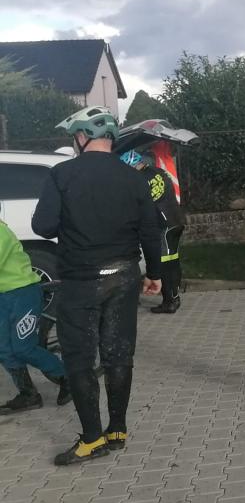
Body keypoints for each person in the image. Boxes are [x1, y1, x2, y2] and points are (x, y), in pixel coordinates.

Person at [31, 106, 162, 466]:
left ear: (81, 136)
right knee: (119, 353)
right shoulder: (134, 177)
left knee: (80, 359)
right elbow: (151, 230)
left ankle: (92, 439)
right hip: (124, 275)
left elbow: (43, 226)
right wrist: (154, 273)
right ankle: (117, 429)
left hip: (81, 279)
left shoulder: (62, 174)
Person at [0, 218, 69, 415]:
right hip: (3, 296)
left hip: (22, 293)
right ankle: (28, 394)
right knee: (4, 349)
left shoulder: (1, 232)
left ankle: (68, 378)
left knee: (24, 348)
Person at [120, 150, 186, 314]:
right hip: (176, 220)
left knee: (165, 264)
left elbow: (141, 205)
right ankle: (173, 297)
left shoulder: (139, 180)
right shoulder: (159, 171)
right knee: (173, 262)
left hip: (163, 225)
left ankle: (170, 301)